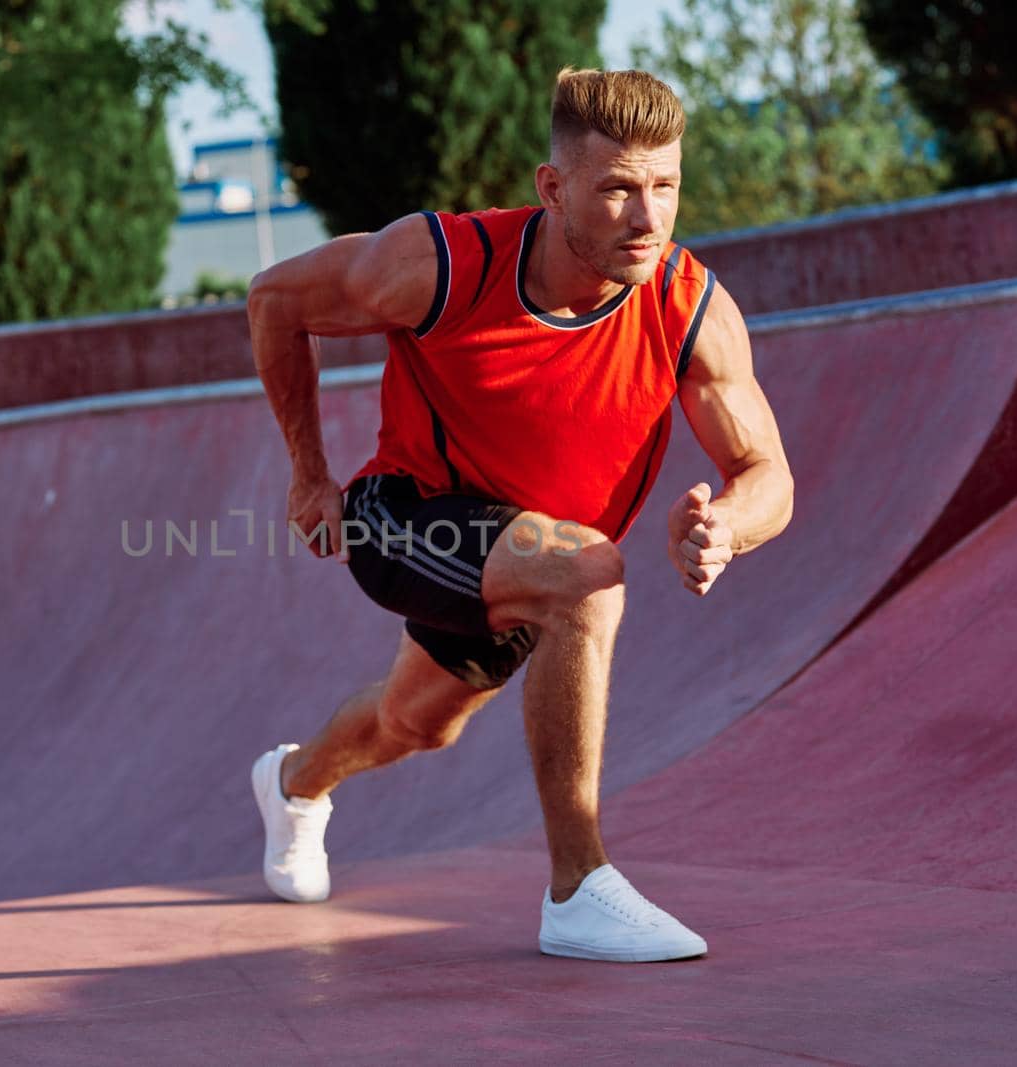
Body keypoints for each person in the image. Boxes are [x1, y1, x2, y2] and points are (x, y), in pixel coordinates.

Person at [245, 68, 794, 963]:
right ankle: (579, 888)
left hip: (528, 557)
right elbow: (274, 299)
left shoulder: (689, 306)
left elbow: (766, 469)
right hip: (406, 513)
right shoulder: (442, 264)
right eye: (617, 190)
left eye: (665, 188)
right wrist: (310, 475)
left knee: (413, 722)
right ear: (553, 186)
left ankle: (295, 783)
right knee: (587, 572)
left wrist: (729, 525)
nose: (648, 219)